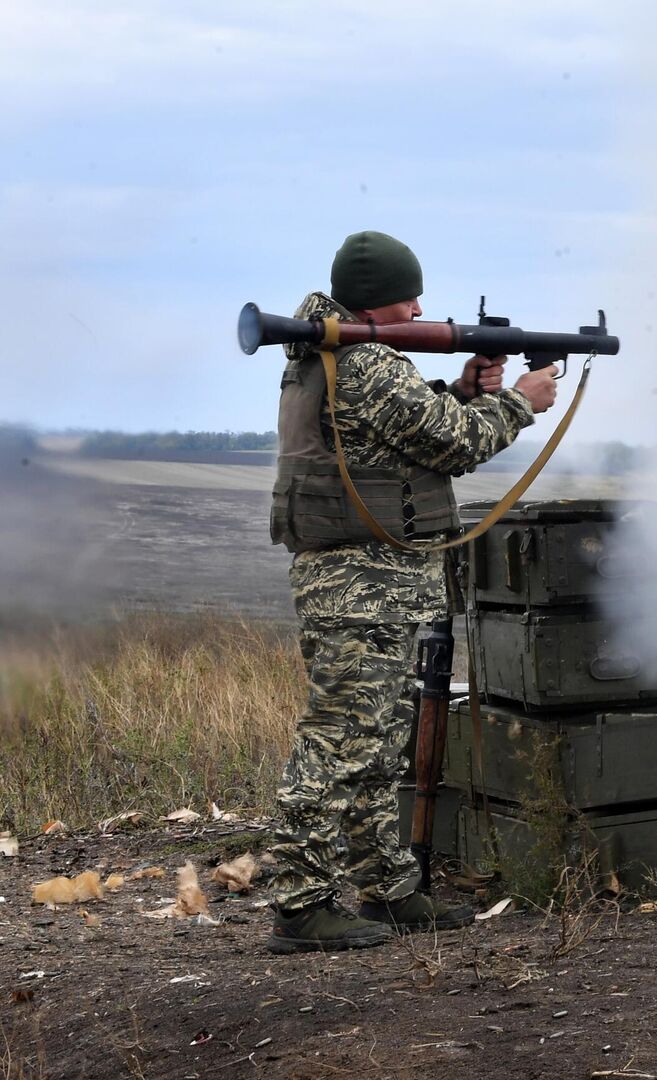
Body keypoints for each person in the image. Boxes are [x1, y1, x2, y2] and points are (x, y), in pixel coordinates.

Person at [264, 231, 559, 954]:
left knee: (379, 742)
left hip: (371, 585)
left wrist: (462, 390)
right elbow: (454, 445)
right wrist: (521, 402)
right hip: (359, 587)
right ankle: (301, 903)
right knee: (343, 739)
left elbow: (392, 436)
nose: (422, 307)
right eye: (409, 296)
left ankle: (388, 888)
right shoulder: (363, 363)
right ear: (375, 300)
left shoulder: (334, 357)